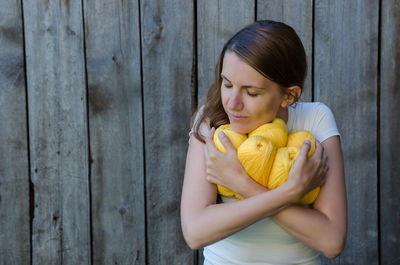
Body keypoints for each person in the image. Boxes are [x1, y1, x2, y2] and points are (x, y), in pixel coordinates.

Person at [180, 20, 347, 265]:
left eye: (251, 92)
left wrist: (242, 184)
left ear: (289, 95)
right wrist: (291, 192)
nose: (232, 103)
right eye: (227, 84)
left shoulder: (315, 120)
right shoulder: (212, 122)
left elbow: (332, 241)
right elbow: (195, 232)